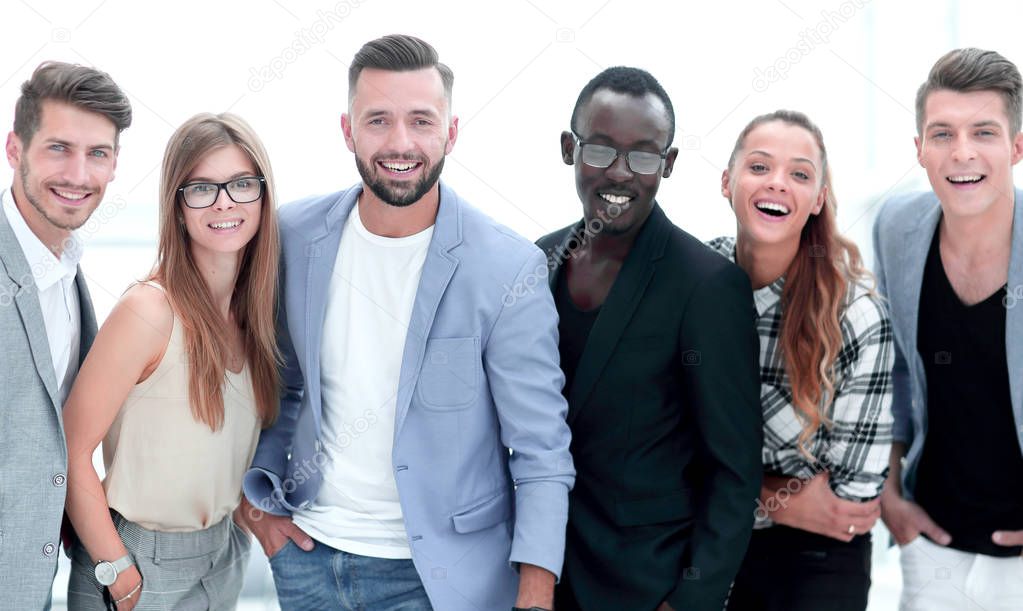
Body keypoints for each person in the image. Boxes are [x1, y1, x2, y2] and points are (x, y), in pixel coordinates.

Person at [236, 34, 574, 611]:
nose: (400, 142)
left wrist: (536, 593)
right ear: (348, 131)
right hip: (308, 559)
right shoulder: (290, 235)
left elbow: (540, 448)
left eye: (421, 121)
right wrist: (255, 511)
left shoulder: (507, 266)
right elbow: (261, 377)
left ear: (451, 130)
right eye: (378, 121)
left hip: (441, 580)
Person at [537, 66, 762, 611]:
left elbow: (734, 473)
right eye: (600, 151)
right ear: (570, 149)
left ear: (669, 163)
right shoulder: (536, 261)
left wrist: (690, 601)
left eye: (643, 156)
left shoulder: (707, 286)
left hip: (645, 589)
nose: (619, 174)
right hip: (540, 582)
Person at [62, 112, 280, 610]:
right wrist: (118, 573)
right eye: (201, 188)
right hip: (137, 561)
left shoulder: (257, 320)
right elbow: (72, 452)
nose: (224, 202)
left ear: (263, 197)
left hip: (222, 558)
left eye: (242, 184)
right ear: (177, 206)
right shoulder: (149, 311)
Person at [709, 109, 894, 611]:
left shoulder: (856, 313)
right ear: (727, 182)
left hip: (816, 561)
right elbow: (658, 452)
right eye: (759, 166)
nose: (778, 184)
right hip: (703, 545)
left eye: (800, 174)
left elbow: (847, 506)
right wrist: (778, 498)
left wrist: (728, 491)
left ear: (818, 199)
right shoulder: (692, 284)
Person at [875, 48, 1023, 611]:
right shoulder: (896, 226)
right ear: (919, 149)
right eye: (942, 133)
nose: (961, 152)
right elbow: (894, 372)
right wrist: (890, 495)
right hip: (930, 538)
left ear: (1016, 146)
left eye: (983, 132)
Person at [0, 61, 131, 609]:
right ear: (15, 149)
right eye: (58, 148)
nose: (78, 175)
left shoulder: (66, 268)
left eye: (97, 153)